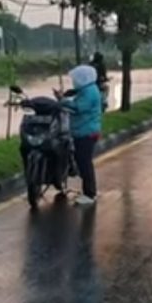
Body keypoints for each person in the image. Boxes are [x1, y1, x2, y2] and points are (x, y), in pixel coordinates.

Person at [59, 65, 103, 207]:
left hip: (86, 132)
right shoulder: (87, 90)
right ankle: (89, 191)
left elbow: (78, 107)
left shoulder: (89, 93)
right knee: (82, 161)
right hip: (84, 131)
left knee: (84, 162)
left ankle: (90, 193)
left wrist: (62, 101)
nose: (74, 81)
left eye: (76, 79)